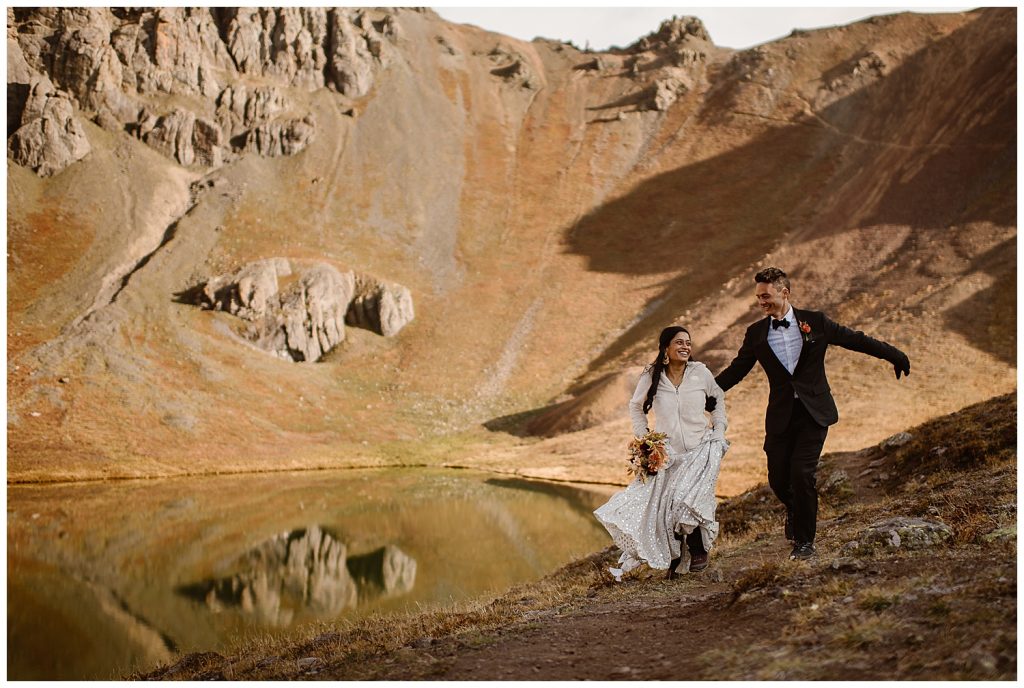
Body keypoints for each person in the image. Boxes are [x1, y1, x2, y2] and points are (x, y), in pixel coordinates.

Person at [715, 267, 911, 560]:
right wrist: (705, 394)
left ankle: (804, 543)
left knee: (802, 474)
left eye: (766, 296)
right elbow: (737, 370)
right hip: (780, 416)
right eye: (758, 297)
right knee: (778, 478)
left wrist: (894, 354)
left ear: (784, 293)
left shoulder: (815, 322)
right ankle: (796, 509)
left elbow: (855, 339)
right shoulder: (756, 333)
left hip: (814, 413)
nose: (761, 302)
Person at [594, 326, 728, 580]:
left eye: (688, 343)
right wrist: (645, 438)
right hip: (668, 454)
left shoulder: (700, 372)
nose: (685, 347)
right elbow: (636, 406)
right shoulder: (652, 375)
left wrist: (719, 430)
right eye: (679, 342)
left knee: (687, 500)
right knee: (666, 507)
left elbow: (718, 400)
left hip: (700, 448)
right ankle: (675, 559)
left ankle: (698, 549)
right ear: (666, 347)